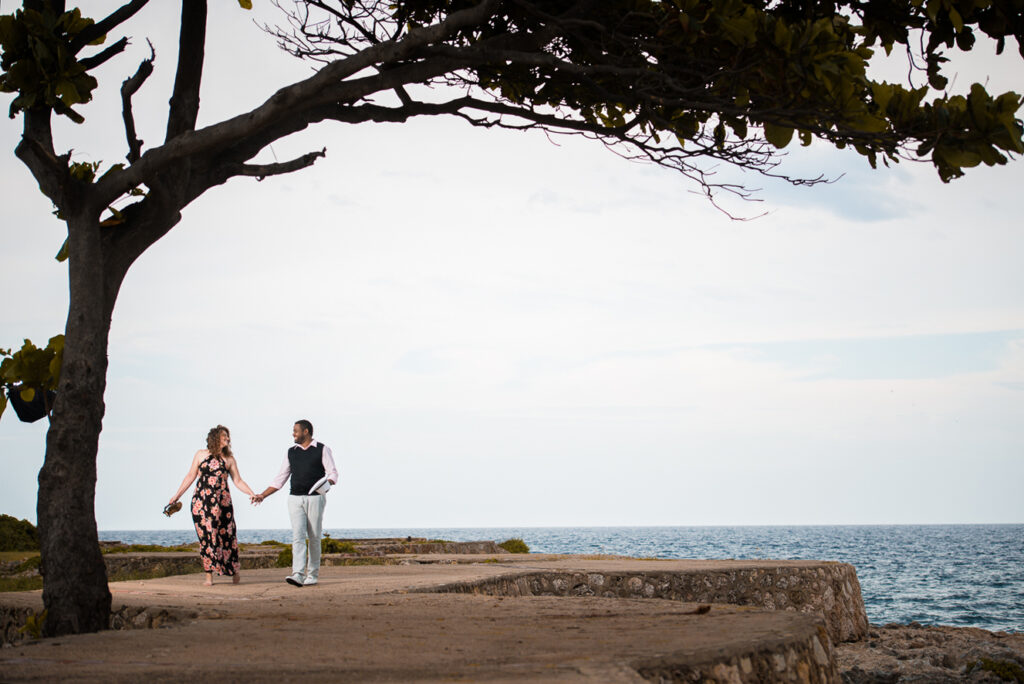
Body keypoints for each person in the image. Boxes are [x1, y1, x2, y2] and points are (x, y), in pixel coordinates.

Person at [169, 425, 258, 586]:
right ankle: (209, 576)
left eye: (228, 437)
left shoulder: (229, 460)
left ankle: (234, 572)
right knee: (206, 538)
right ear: (216, 438)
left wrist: (251, 493)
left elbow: (238, 481)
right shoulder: (200, 455)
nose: (228, 439)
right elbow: (190, 476)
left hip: (223, 504)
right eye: (225, 436)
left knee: (228, 536)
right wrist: (176, 496)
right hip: (201, 503)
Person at [252, 419, 338, 587]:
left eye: (295, 430)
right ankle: (297, 574)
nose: (293, 434)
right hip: (294, 498)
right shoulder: (291, 452)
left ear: (306, 431)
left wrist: (326, 486)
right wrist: (262, 495)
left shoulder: (322, 449)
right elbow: (280, 478)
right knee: (297, 536)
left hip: (316, 498)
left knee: (314, 537)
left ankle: (312, 575)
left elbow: (333, 474)